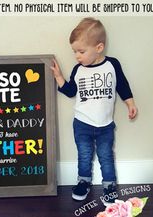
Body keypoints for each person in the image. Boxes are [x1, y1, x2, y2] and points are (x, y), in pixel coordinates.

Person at [51, 17, 138, 206]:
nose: (77, 56)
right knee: (84, 155)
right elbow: (71, 91)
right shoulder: (78, 70)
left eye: (81, 52)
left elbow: (122, 86)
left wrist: (130, 103)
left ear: (99, 48)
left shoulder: (112, 65)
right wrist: (59, 78)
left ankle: (109, 186)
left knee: (106, 155)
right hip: (82, 123)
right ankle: (83, 182)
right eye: (75, 52)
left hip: (105, 125)